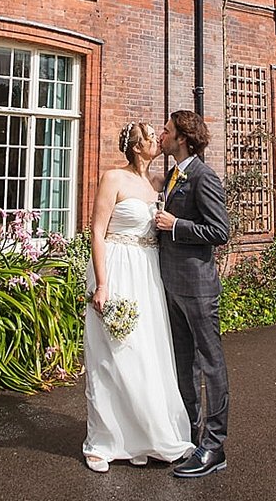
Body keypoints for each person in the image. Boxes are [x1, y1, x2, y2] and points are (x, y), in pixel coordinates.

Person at [81, 121, 196, 473]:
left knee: (146, 355)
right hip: (117, 268)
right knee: (111, 355)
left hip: (147, 273)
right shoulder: (112, 179)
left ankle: (141, 437)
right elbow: (97, 233)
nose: (156, 140)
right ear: (135, 146)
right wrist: (102, 284)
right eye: (150, 136)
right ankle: (103, 441)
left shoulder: (158, 183)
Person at [153, 109, 231, 478]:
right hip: (172, 285)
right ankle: (192, 435)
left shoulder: (204, 176)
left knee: (211, 364)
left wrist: (177, 225)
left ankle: (215, 447)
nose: (161, 135)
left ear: (183, 137)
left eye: (166, 131)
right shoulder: (172, 175)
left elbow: (219, 231)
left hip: (198, 288)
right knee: (184, 364)